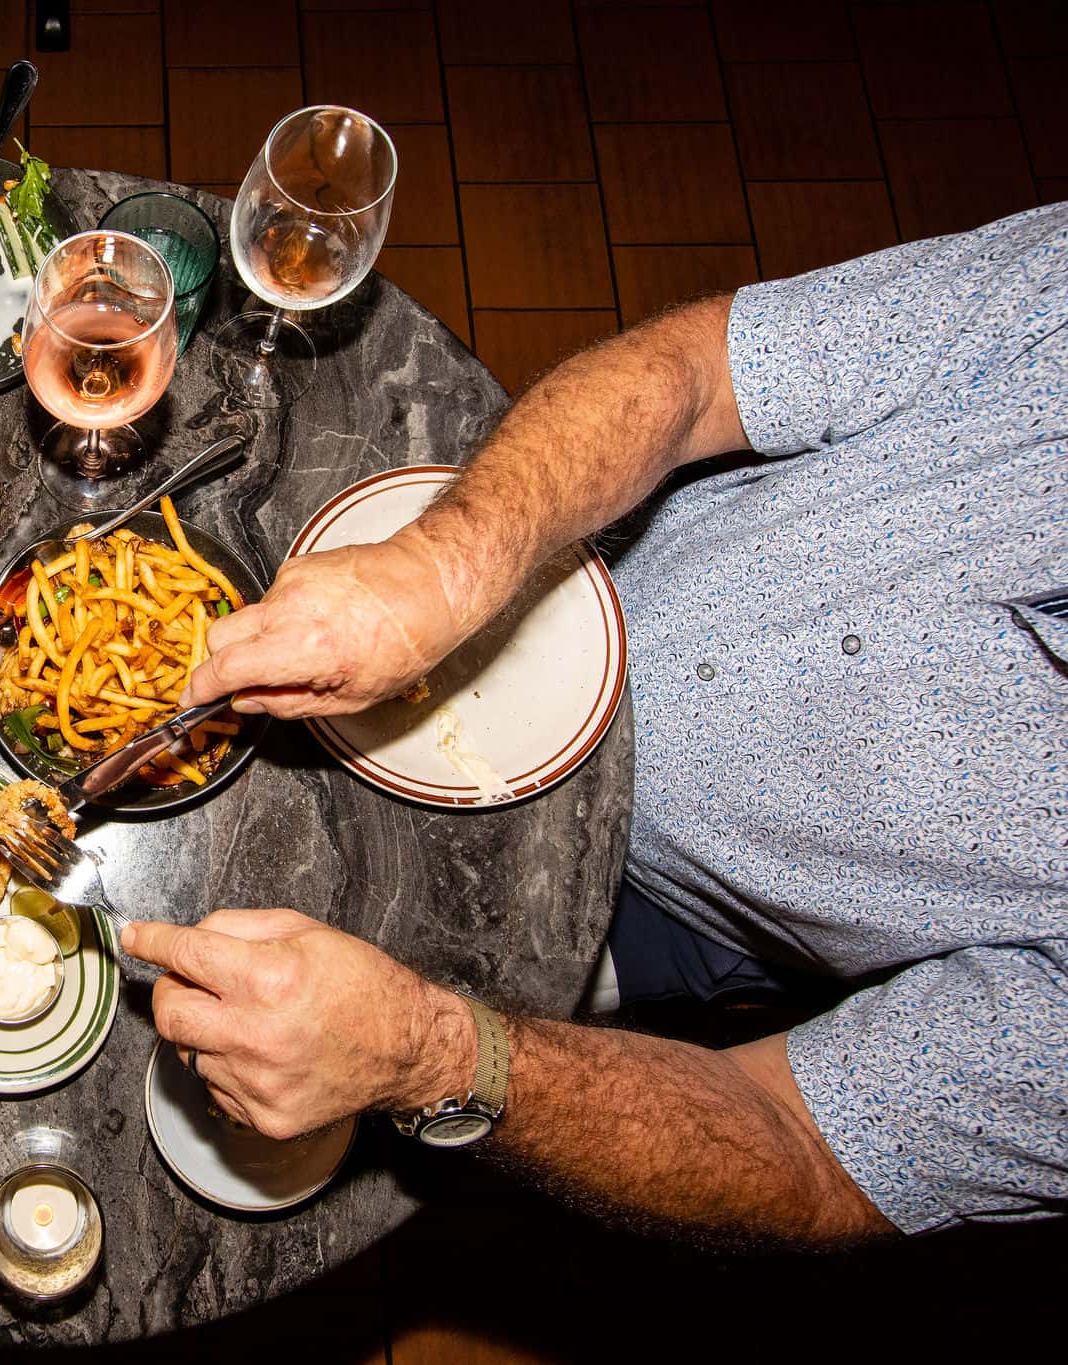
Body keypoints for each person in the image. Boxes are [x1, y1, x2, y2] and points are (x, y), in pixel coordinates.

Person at [131, 204, 1067, 1243]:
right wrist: (442, 567)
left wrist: (429, 1053)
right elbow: (700, 368)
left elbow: (809, 1155)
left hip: (656, 906)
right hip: (567, 565)